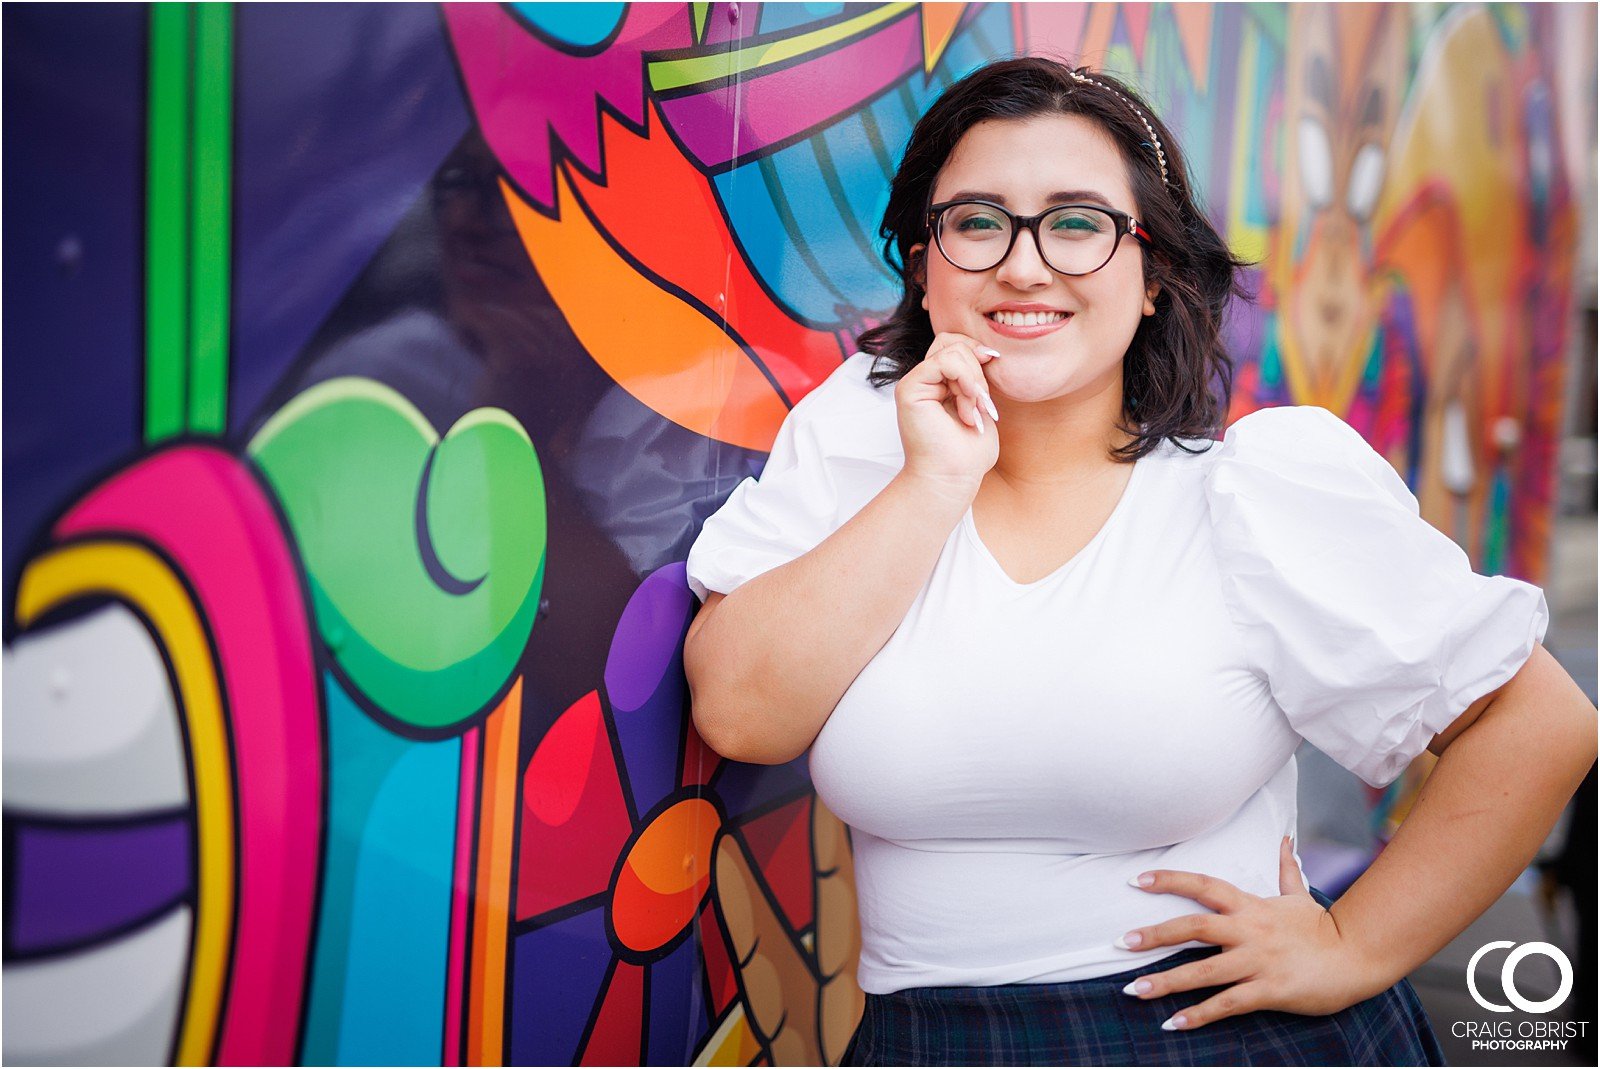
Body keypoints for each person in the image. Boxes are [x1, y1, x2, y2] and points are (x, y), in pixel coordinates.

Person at [681, 56, 1596, 1066]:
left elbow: (1537, 723)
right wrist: (931, 484)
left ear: (1153, 274)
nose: (1023, 266)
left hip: (1210, 1034)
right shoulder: (860, 443)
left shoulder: (1249, 493)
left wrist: (1351, 944)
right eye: (977, 222)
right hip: (928, 1040)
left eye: (1077, 223)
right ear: (922, 262)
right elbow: (741, 713)